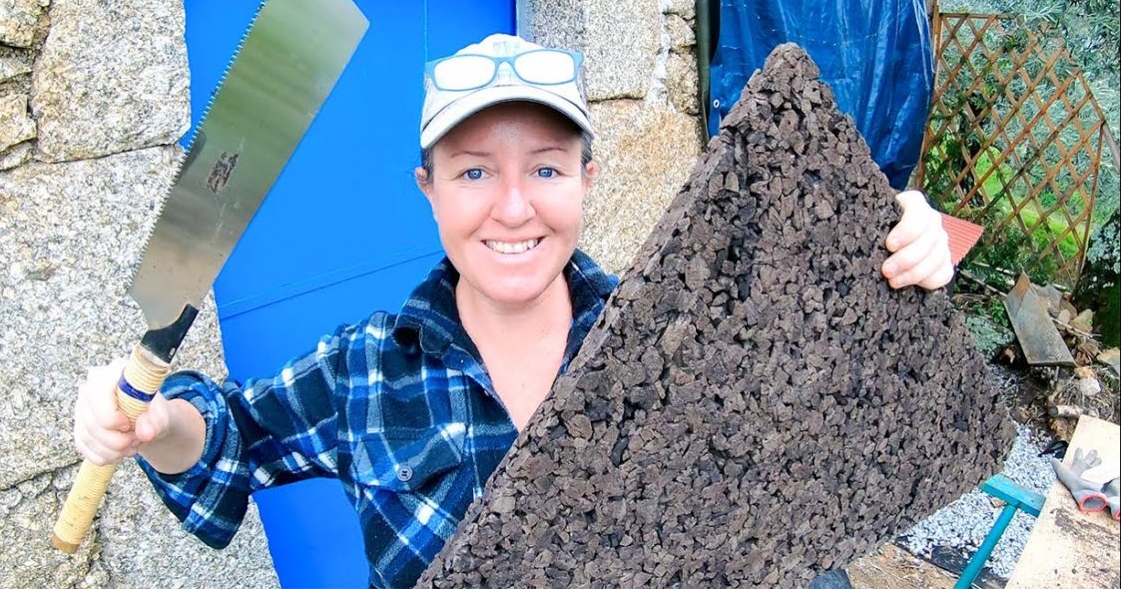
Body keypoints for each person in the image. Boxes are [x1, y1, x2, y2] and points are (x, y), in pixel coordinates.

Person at [73, 33, 955, 588]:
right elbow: (232, 438)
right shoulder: (368, 369)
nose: (512, 208)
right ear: (428, 191)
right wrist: (151, 422)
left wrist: (886, 254)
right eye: (472, 171)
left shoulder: (673, 339)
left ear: (585, 180)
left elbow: (826, 400)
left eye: (544, 167)